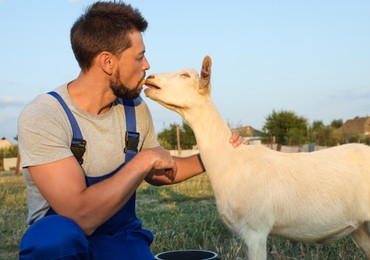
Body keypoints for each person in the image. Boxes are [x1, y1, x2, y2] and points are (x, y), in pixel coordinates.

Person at [17, 2, 244, 259]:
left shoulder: (133, 108)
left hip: (119, 235)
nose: (147, 65)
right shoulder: (45, 115)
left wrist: (215, 154)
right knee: (54, 238)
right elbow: (79, 215)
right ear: (108, 62)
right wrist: (143, 161)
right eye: (139, 57)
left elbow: (161, 170)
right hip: (67, 240)